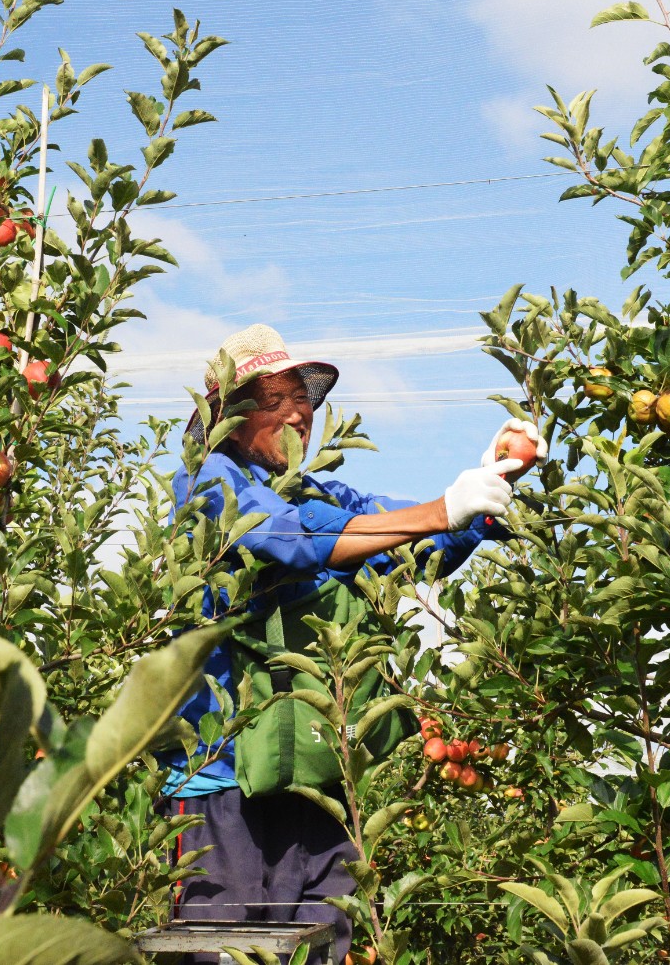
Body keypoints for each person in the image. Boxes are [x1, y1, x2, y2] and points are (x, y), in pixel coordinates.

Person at [162, 324, 540, 963]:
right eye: (280, 401)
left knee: (319, 948)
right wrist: (439, 511)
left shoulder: (322, 497)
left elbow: (413, 542)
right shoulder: (209, 485)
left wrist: (485, 490)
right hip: (222, 782)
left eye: (305, 404)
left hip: (314, 775)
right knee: (221, 952)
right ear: (230, 413)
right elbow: (285, 541)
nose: (300, 416)